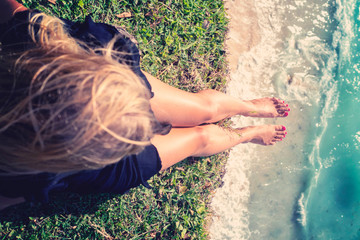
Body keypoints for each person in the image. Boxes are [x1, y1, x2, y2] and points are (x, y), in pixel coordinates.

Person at [0, 0, 290, 211]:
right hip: (100, 122)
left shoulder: (34, 37)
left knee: (204, 110)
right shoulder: (30, 174)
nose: (156, 126)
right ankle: (248, 133)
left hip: (107, 85)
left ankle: (245, 106)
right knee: (199, 136)